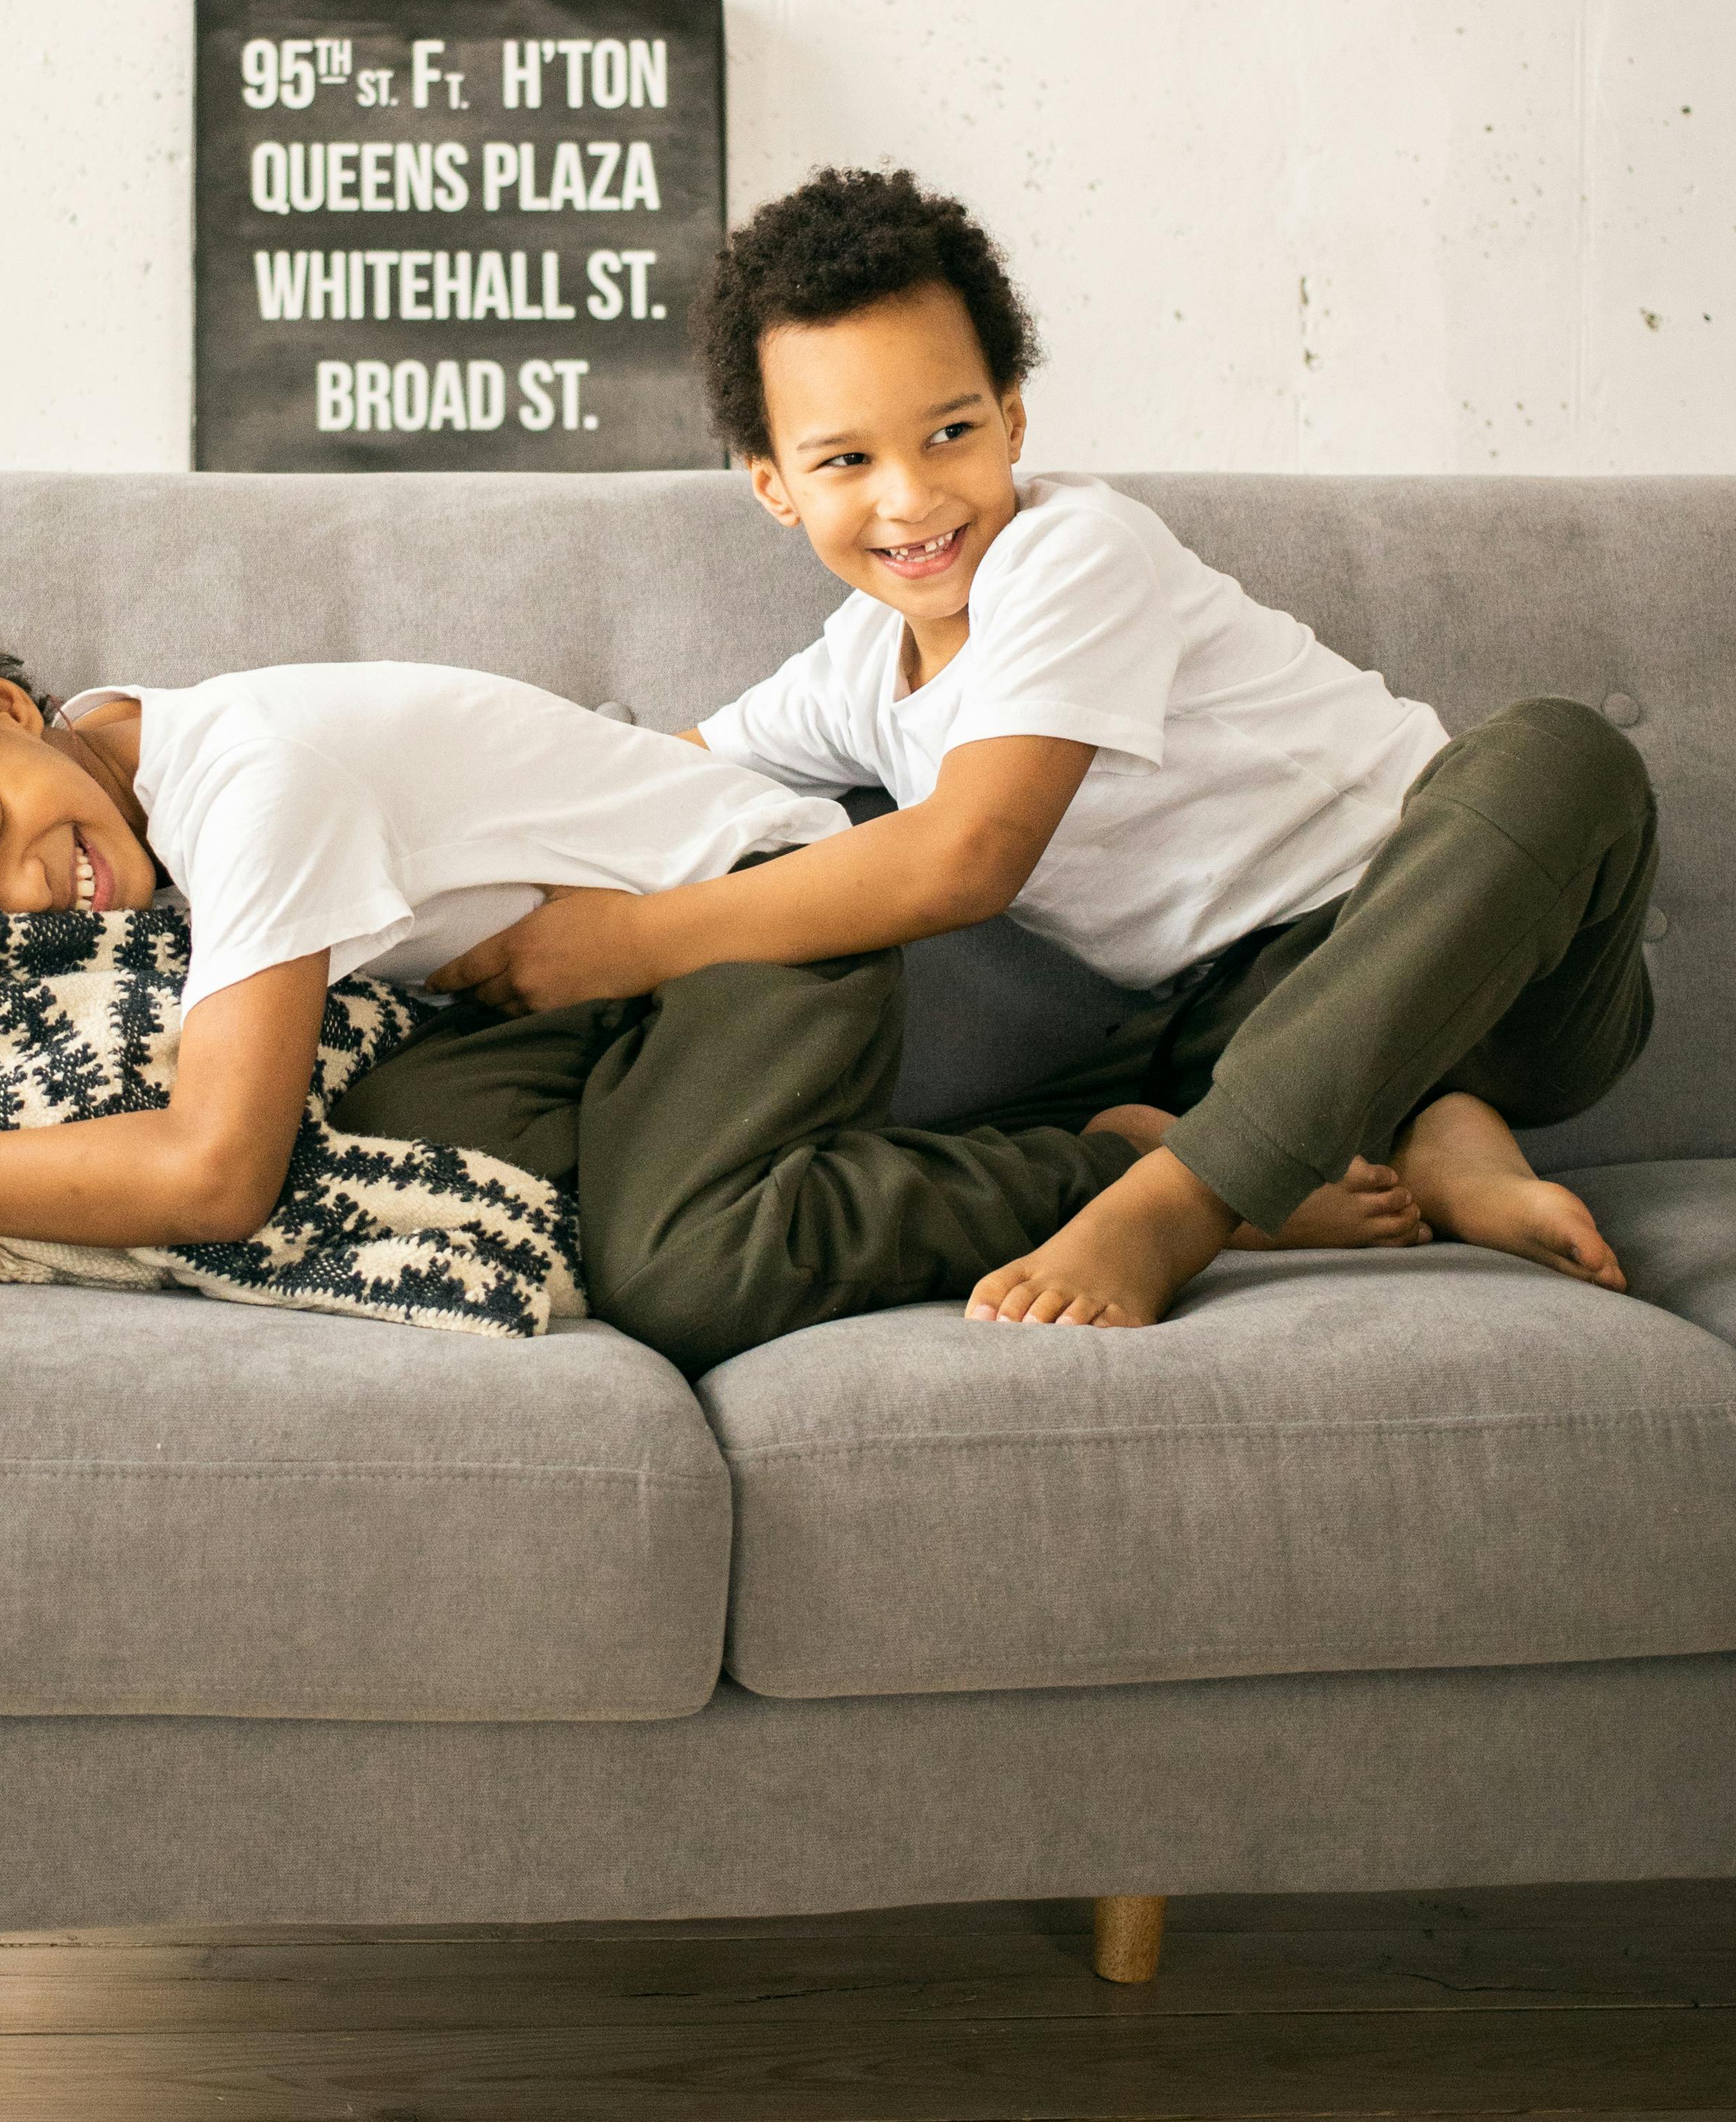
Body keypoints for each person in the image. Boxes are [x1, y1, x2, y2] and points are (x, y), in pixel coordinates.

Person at [431, 164, 1655, 1333]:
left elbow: (968, 854)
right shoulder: (854, 669)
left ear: (1011, 419)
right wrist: (454, 890)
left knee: (1556, 755)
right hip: (1232, 1033)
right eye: (846, 460)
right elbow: (650, 791)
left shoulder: (1073, 554)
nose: (910, 497)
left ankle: (1180, 1203)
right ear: (772, 487)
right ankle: (1428, 1148)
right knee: (846, 1166)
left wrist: (632, 939)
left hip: (1484, 956)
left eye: (949, 432)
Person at [0, 602, 1420, 1368]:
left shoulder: (245, 774)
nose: (31, 890)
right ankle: (1072, 1146)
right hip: (583, 1016)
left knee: (681, 1266)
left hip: (760, 926)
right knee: (414, 1128)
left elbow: (211, 1167)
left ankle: (1144, 1178)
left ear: (3, 705)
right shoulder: (133, 831)